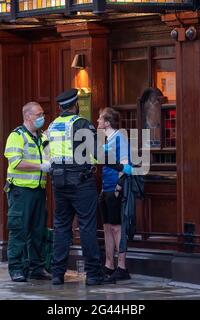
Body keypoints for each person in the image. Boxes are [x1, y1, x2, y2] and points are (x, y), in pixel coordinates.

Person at [47, 88, 114, 286]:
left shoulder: (52, 126)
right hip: (81, 183)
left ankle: (57, 274)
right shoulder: (82, 124)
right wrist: (121, 165)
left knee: (61, 227)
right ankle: (93, 274)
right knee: (86, 226)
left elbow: (48, 155)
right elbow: (98, 154)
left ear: (60, 107)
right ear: (75, 105)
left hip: (59, 184)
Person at [4, 102, 51, 282]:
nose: (42, 117)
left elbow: (49, 156)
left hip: (38, 190)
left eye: (42, 114)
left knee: (38, 231)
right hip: (21, 192)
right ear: (28, 116)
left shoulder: (41, 137)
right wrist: (40, 166)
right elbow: (15, 163)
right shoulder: (16, 136)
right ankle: (16, 268)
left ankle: (36, 268)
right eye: (39, 114)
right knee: (19, 230)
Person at [97, 107, 132, 281]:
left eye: (100, 119)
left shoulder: (120, 137)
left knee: (117, 228)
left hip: (114, 188)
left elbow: (126, 166)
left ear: (107, 122)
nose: (97, 121)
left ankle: (122, 267)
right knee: (107, 227)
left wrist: (119, 185)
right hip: (105, 188)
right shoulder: (106, 139)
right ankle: (109, 264)